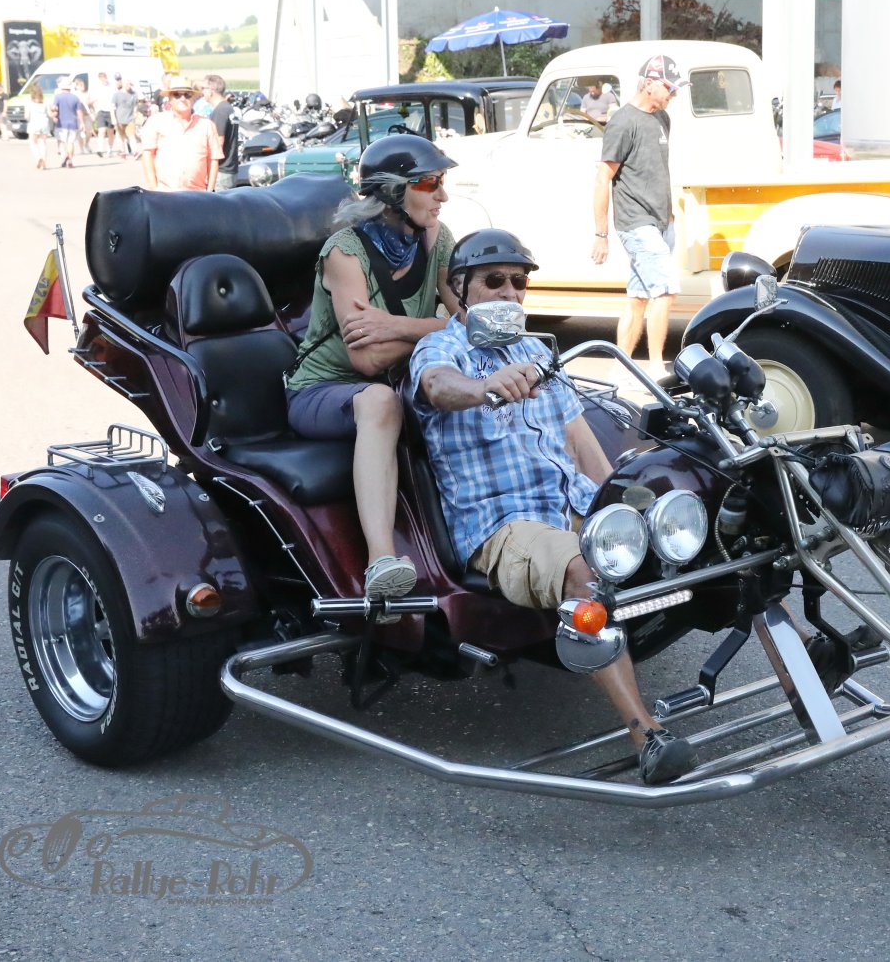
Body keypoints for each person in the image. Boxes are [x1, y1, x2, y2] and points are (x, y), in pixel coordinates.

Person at [409, 228, 700, 786]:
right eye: (495, 281)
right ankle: (647, 736)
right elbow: (439, 386)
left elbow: (579, 440)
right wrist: (484, 386)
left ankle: (807, 663)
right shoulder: (443, 349)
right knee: (586, 571)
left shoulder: (537, 352)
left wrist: (623, 501)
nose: (510, 292)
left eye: (519, 283)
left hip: (571, 503)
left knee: (710, 528)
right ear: (460, 288)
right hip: (505, 525)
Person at [284, 136, 461, 602]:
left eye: (442, 182)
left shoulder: (437, 237)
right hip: (323, 389)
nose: (443, 195)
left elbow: (468, 322)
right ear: (393, 192)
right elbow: (366, 360)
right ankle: (382, 560)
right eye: (430, 183)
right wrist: (439, 329)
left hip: (399, 379)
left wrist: (397, 326)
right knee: (380, 401)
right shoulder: (345, 252)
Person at [591, 54, 687, 379]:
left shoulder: (662, 118)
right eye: (669, 87)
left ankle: (620, 370)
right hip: (635, 222)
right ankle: (657, 369)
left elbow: (655, 169)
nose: (674, 94)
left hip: (661, 223)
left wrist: (669, 216)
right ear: (648, 83)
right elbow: (603, 178)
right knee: (665, 291)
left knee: (638, 297)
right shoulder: (622, 122)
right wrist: (601, 235)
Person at [140, 78, 223, 192]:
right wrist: (154, 188)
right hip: (165, 193)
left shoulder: (207, 125)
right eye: (177, 95)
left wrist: (210, 190)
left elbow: (213, 159)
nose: (183, 99)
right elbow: (147, 155)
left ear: (193, 98)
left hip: (197, 194)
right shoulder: (156, 122)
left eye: (187, 95)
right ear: (170, 99)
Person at [199, 74, 239, 190]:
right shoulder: (228, 108)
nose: (202, 92)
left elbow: (218, 143)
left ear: (211, 91)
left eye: (203, 88)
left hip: (221, 171)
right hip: (229, 168)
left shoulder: (220, 111)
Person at [50, 77, 85, 168]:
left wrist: (53, 114)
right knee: (71, 142)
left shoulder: (58, 97)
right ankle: (70, 160)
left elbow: (54, 108)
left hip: (61, 123)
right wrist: (82, 122)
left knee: (61, 141)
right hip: (73, 123)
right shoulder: (75, 98)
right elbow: (79, 111)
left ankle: (64, 156)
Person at [25, 82, 53, 169]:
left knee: (33, 143)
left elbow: (26, 116)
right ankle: (43, 163)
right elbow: (50, 114)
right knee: (43, 143)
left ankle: (38, 158)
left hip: (34, 124)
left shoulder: (29, 104)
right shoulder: (45, 103)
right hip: (44, 124)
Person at [110, 75, 138, 159]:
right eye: (127, 84)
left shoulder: (134, 94)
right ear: (123, 84)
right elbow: (112, 107)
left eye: (130, 84)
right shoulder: (117, 95)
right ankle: (123, 152)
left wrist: (135, 112)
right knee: (121, 137)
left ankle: (135, 152)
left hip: (130, 118)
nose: (129, 86)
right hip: (119, 119)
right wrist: (113, 118)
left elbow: (135, 104)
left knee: (131, 135)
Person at [91, 72, 116, 156]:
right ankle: (100, 149)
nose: (103, 80)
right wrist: (95, 109)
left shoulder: (112, 87)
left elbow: (114, 99)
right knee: (101, 131)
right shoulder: (97, 87)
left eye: (104, 78)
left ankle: (110, 148)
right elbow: (94, 99)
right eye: (101, 78)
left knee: (110, 132)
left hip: (110, 111)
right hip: (101, 111)